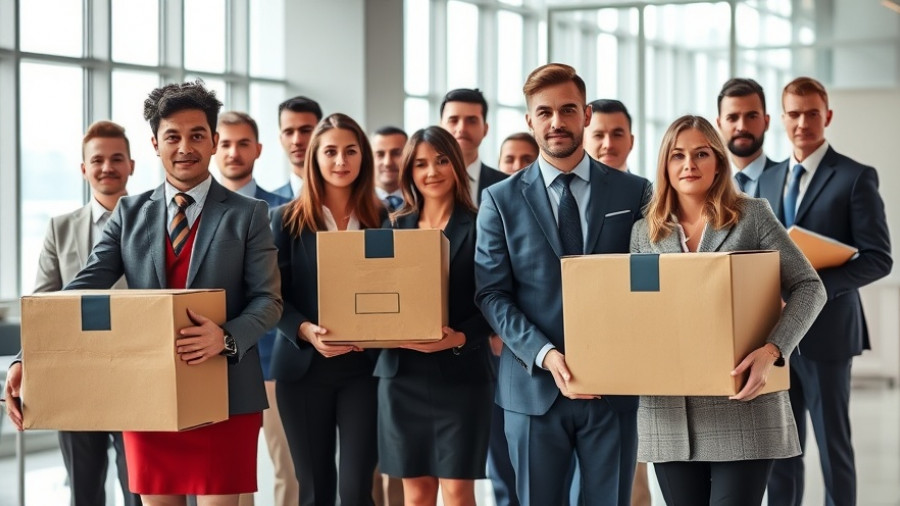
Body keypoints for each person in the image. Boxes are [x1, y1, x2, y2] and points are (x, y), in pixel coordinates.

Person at [6, 80, 283, 505]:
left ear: (212, 142)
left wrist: (225, 337)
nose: (185, 147)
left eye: (196, 135)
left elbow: (268, 300)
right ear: (156, 144)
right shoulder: (129, 213)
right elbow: (82, 287)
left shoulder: (249, 214)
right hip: (146, 394)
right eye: (172, 136)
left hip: (224, 390)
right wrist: (30, 356)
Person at [474, 63, 651, 506]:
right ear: (530, 120)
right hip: (533, 387)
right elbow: (492, 293)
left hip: (613, 388)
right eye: (545, 112)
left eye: (568, 109)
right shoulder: (500, 199)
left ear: (586, 115)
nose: (557, 122)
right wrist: (547, 355)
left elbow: (652, 278)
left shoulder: (635, 193)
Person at [629, 114, 826, 505]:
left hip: (743, 404)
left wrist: (773, 351)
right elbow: (643, 312)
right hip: (670, 415)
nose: (689, 165)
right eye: (678, 155)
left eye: (701, 154)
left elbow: (809, 287)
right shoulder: (646, 233)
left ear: (718, 161)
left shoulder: (750, 215)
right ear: (665, 165)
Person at [760, 77, 892, 506]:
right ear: (782, 119)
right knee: (783, 448)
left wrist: (816, 287)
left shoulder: (855, 177)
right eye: (794, 113)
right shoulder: (768, 179)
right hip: (775, 336)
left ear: (827, 117)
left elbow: (878, 258)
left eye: (811, 113)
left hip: (829, 332)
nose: (802, 123)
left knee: (834, 445)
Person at [26, 120, 142, 506]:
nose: (107, 167)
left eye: (116, 159)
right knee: (84, 491)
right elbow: (44, 301)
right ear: (84, 168)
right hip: (76, 379)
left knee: (140, 489)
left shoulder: (152, 223)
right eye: (97, 160)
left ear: (131, 165)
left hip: (137, 376)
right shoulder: (60, 228)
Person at [270, 113, 383, 506]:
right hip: (303, 371)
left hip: (364, 371)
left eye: (350, 151)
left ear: (363, 157)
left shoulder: (384, 220)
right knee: (315, 489)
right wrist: (304, 330)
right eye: (330, 151)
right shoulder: (284, 220)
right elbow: (271, 296)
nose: (340, 161)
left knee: (356, 490)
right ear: (314, 158)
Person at [377, 126, 493, 506]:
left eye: (442, 160)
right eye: (421, 163)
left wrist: (458, 338)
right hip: (401, 375)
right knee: (416, 495)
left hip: (461, 378)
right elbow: (374, 296)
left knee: (458, 493)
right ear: (409, 170)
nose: (432, 172)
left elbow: (494, 302)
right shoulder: (392, 227)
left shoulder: (481, 226)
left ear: (456, 165)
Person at [213, 111, 297, 506]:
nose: (233, 151)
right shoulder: (199, 213)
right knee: (231, 476)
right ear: (214, 146)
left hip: (274, 361)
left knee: (288, 469)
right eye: (225, 142)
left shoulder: (287, 210)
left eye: (243, 142)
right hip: (218, 364)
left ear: (259, 149)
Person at [439, 88, 506, 205]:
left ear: (485, 129)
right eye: (453, 120)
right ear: (440, 128)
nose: (462, 129)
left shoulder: (506, 185)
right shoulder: (422, 182)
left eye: (472, 121)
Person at [716, 78, 778, 197]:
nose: (742, 127)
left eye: (751, 116)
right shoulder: (707, 184)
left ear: (766, 122)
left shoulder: (789, 180)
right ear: (719, 124)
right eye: (732, 118)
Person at [274, 96, 323, 199]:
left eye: (305, 130)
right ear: (281, 139)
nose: (297, 141)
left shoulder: (345, 198)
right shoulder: (267, 207)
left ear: (322, 135)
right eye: (289, 132)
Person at [583, 99, 634, 172]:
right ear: (582, 141)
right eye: (598, 135)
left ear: (631, 141)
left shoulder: (644, 183)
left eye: (617, 135)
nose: (608, 145)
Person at [371, 125, 408, 211]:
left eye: (396, 153)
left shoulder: (423, 201)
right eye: (380, 154)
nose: (388, 162)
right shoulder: (356, 204)